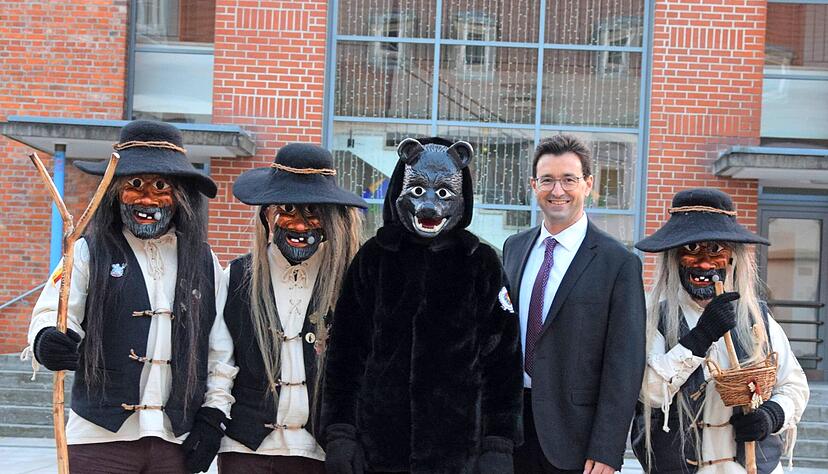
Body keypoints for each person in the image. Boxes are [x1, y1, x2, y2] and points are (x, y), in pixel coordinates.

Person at [26, 119, 236, 473]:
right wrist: (49, 338)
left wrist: (214, 414)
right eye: (135, 185)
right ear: (115, 191)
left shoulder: (204, 260)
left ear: (180, 195)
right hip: (98, 436)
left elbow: (219, 347)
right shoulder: (88, 251)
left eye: (161, 186)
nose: (147, 198)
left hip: (174, 438)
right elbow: (54, 309)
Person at [321, 137, 523, 473]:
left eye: (443, 194)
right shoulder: (375, 257)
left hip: (457, 452)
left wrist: (498, 442)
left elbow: (503, 360)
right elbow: (345, 352)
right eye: (417, 191)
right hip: (379, 448)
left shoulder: (481, 262)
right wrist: (341, 432)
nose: (429, 205)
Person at [631, 188, 809, 473]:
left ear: (732, 259)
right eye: (690, 250)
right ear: (674, 258)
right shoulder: (655, 320)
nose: (703, 263)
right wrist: (699, 338)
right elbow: (649, 393)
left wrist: (771, 416)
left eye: (715, 250)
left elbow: (795, 386)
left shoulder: (757, 318)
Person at [501, 134, 646, 473]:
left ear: (588, 184)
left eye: (569, 179)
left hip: (575, 439)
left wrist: (608, 448)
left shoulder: (618, 263)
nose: (557, 190)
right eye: (547, 180)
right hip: (511, 431)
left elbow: (624, 364)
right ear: (533, 185)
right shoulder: (514, 248)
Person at [217, 144, 365, 472]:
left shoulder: (353, 283)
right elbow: (220, 362)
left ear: (332, 219)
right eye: (287, 209)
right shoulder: (236, 277)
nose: (299, 225)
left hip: (319, 452)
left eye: (312, 212)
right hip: (245, 450)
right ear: (267, 213)